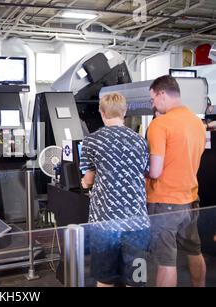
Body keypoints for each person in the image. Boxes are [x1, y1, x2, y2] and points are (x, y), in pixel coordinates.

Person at [80, 92, 150, 287]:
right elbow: (146, 172)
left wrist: (85, 183)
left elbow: (89, 178)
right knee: (137, 279)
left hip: (104, 222)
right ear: (125, 111)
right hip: (136, 221)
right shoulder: (140, 141)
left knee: (104, 279)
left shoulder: (91, 141)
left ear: (102, 113)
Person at [147, 75, 206, 287]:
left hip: (165, 201)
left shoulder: (160, 125)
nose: (152, 103)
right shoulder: (198, 123)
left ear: (162, 94)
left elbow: (155, 171)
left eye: (153, 99)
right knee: (194, 250)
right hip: (191, 198)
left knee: (166, 261)